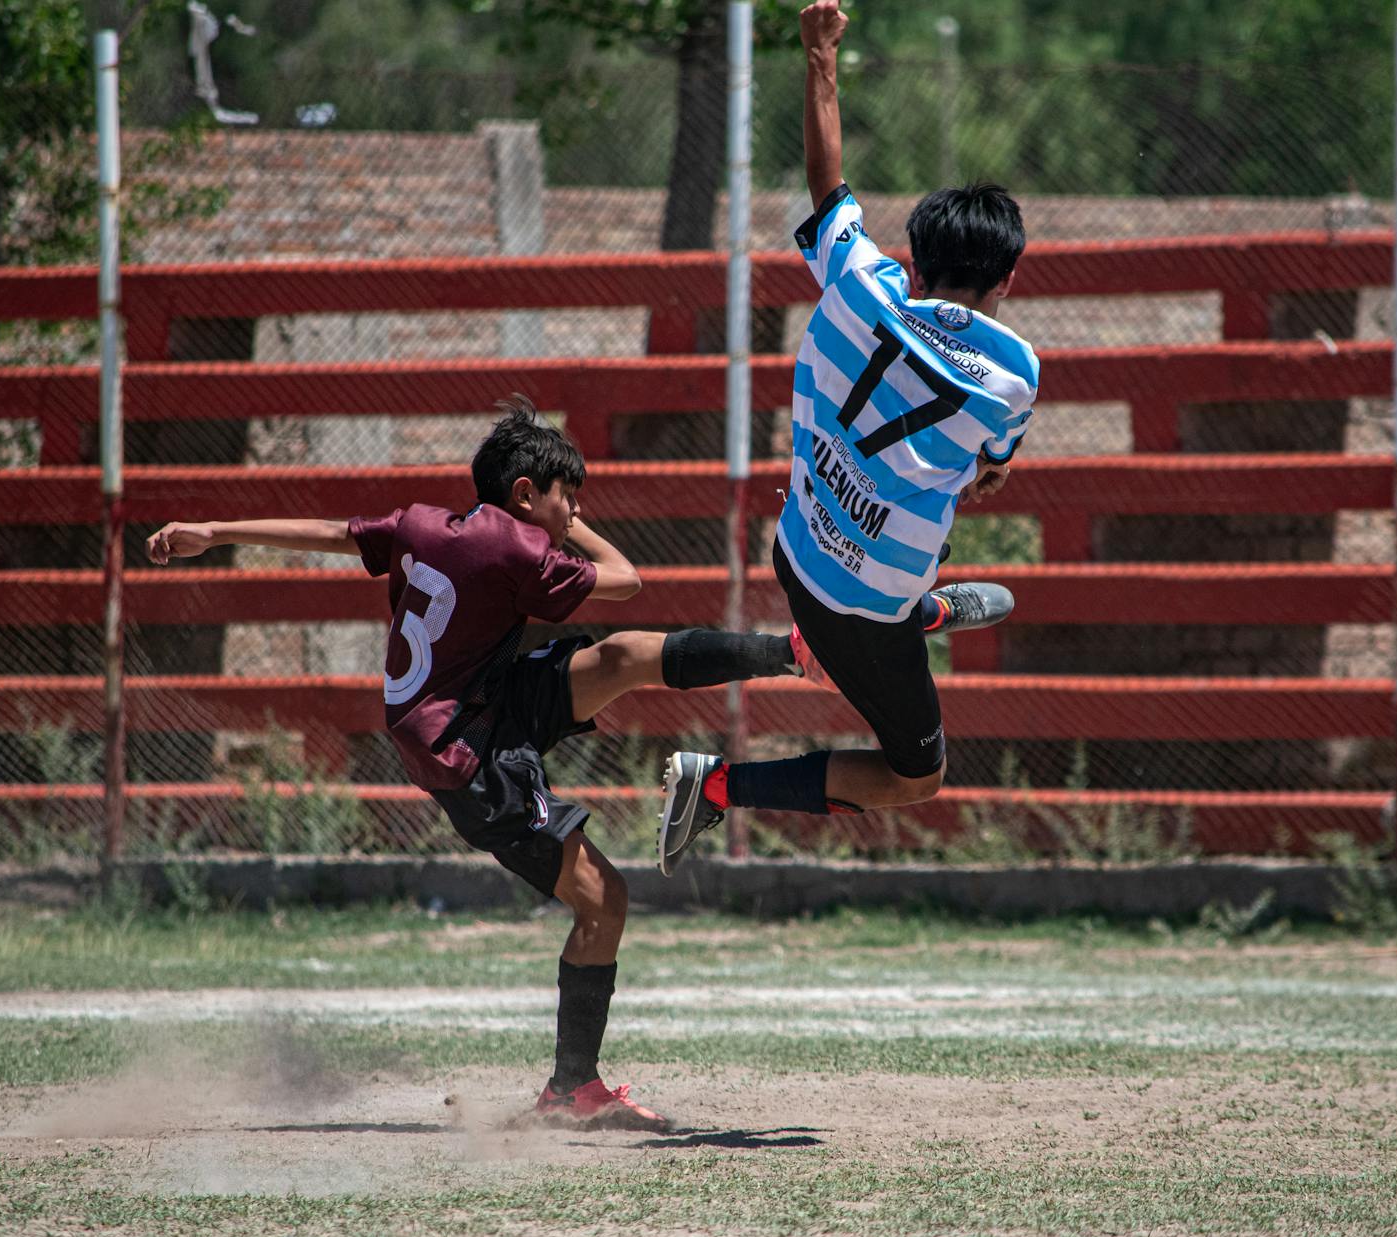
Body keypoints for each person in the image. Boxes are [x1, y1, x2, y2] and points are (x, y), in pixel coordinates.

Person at [145, 400, 815, 1132]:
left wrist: (214, 531)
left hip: (480, 699)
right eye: (566, 495)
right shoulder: (518, 547)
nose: (575, 509)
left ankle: (790, 651)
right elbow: (625, 576)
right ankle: (572, 1088)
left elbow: (331, 532)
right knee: (606, 900)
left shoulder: (424, 523)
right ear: (525, 494)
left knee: (622, 655)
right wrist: (563, 525)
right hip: (467, 750)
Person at [659, 0, 1038, 872]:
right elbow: (991, 472)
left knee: (891, 541)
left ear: (913, 253)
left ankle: (919, 609)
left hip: (794, 554)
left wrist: (821, 54)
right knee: (916, 774)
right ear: (1008, 279)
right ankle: (715, 787)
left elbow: (829, 185)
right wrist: (979, 467)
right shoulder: (1015, 372)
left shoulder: (858, 280)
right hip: (863, 607)